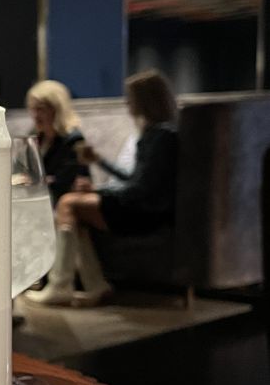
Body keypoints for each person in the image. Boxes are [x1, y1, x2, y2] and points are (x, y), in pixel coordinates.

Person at [27, 69, 179, 308]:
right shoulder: (155, 134)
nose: (127, 103)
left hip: (146, 211)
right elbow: (133, 179)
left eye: (131, 98)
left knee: (69, 203)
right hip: (142, 204)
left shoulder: (161, 137)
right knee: (75, 212)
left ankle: (60, 286)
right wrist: (98, 163)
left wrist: (98, 192)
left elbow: (140, 189)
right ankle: (94, 285)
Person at [25, 79, 88, 205]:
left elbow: (65, 182)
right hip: (41, 200)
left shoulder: (74, 140)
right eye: (33, 109)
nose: (35, 115)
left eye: (41, 109)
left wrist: (33, 181)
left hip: (62, 204)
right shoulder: (36, 137)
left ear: (57, 109)